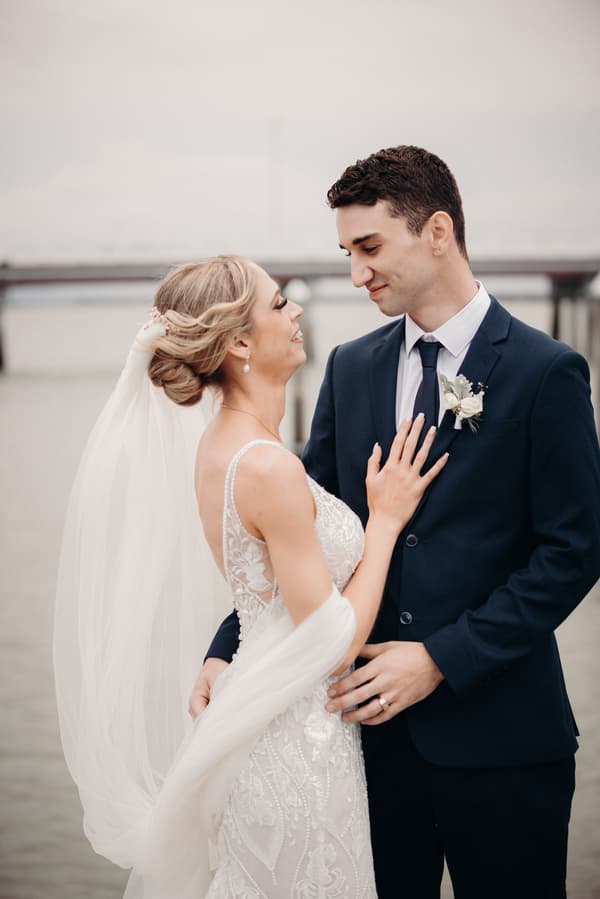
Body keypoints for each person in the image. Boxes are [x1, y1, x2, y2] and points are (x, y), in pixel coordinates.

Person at [201, 148, 600, 899]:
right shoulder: (349, 367)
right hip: (365, 749)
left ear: (438, 231)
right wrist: (229, 646)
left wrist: (440, 657)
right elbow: (305, 524)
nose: (356, 274)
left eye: (370, 248)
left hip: (505, 743)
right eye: (347, 253)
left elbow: (574, 552)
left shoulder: (547, 372)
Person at [54, 254, 448, 898]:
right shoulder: (266, 466)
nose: (297, 311)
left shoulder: (225, 446)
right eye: (277, 304)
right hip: (294, 744)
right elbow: (333, 643)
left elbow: (264, 602)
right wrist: (384, 522)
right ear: (238, 342)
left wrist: (222, 652)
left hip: (269, 718)